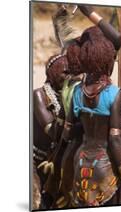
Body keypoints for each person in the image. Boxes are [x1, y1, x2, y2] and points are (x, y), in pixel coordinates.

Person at [59, 20, 121, 206]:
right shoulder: (113, 94)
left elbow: (67, 133)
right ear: (107, 60)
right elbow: (115, 140)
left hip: (80, 159)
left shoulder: (77, 91)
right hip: (104, 162)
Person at [33, 54, 68, 208]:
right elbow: (54, 132)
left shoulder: (68, 95)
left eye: (72, 72)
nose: (69, 77)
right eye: (65, 72)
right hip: (36, 160)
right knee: (36, 201)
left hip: (58, 160)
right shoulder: (39, 95)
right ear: (53, 72)